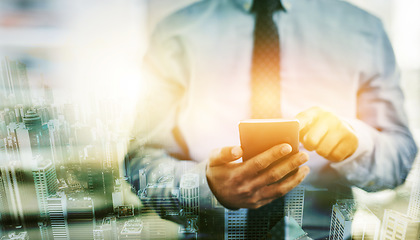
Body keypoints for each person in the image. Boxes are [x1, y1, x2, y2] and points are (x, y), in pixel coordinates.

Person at [128, 0, 418, 239]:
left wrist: (356, 145)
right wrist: (205, 187)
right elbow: (141, 161)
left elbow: (401, 158)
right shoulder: (175, 33)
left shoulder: (365, 30)